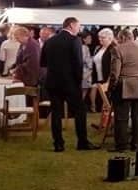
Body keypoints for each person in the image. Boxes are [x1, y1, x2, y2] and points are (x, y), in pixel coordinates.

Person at [40, 17, 96, 152]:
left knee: (56, 113)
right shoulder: (74, 40)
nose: (80, 29)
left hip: (52, 82)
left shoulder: (50, 41)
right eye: (78, 26)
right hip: (70, 83)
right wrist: (78, 81)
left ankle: (58, 144)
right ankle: (82, 142)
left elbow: (43, 62)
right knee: (80, 111)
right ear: (71, 25)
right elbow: (78, 63)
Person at [109, 28, 138, 152]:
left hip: (124, 86)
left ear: (121, 38)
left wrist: (112, 88)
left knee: (121, 118)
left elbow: (114, 73)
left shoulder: (118, 49)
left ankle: (121, 145)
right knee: (137, 117)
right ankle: (136, 144)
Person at [91, 28, 117, 109]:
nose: (100, 39)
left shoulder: (113, 49)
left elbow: (114, 67)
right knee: (103, 105)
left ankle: (108, 121)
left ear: (110, 38)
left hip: (108, 80)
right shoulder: (99, 49)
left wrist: (109, 81)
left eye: (103, 37)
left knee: (108, 105)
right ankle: (104, 121)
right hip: (99, 80)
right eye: (99, 37)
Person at [79, 31, 94, 110]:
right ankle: (78, 110)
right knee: (83, 93)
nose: (91, 39)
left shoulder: (79, 46)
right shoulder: (85, 48)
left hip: (81, 72)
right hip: (85, 73)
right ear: (84, 39)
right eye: (89, 38)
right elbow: (86, 61)